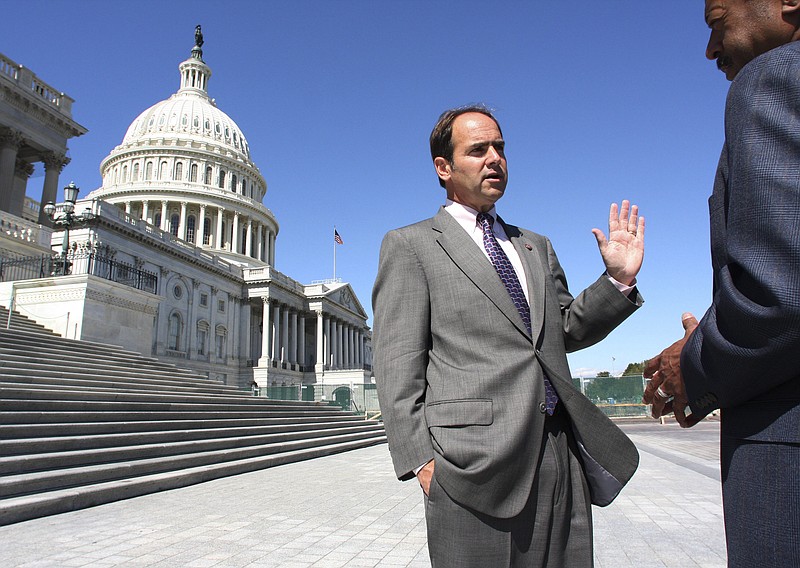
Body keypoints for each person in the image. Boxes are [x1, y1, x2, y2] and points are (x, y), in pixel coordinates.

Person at [372, 105, 645, 568]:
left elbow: (563, 332)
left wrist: (616, 281)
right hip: (471, 468)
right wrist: (421, 461)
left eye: (500, 147)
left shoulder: (535, 245)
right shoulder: (411, 245)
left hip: (559, 454)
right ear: (444, 168)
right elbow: (397, 362)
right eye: (478, 150)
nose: (494, 158)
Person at [643, 1, 800, 566]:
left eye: (717, 24)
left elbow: (780, 295)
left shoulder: (772, 79)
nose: (711, 51)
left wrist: (693, 364)